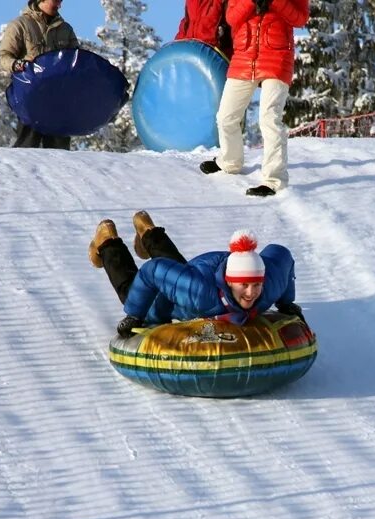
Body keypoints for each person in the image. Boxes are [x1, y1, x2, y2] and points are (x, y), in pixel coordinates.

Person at [88, 211, 306, 337]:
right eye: (244, 285)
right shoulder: (201, 293)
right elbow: (152, 271)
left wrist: (286, 303)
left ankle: (148, 232)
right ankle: (107, 241)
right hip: (194, 284)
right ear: (230, 282)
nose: (251, 293)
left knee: (176, 271)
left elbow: (281, 255)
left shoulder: (268, 286)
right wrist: (135, 315)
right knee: (131, 288)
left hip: (198, 275)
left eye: (255, 285)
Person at [198, 0, 310, 197]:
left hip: (277, 57)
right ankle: (230, 161)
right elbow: (232, 18)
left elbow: (300, 18)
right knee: (226, 116)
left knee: (269, 119)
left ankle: (274, 181)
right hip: (244, 57)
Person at [0, 0, 79, 149]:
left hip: (58, 99)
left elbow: (76, 59)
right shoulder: (20, 25)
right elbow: (3, 57)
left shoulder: (65, 29)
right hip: (31, 97)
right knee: (28, 147)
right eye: (56, 1)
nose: (59, 5)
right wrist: (16, 65)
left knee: (60, 152)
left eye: (61, 2)